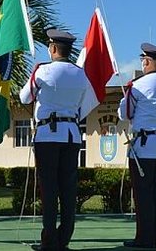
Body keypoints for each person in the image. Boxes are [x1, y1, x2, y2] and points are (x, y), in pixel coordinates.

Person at [20, 29, 94, 251]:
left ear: (53, 48)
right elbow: (83, 103)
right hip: (71, 134)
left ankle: (49, 240)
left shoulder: (42, 71)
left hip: (48, 135)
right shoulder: (80, 74)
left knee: (49, 189)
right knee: (68, 189)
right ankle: (64, 238)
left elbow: (25, 97)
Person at [117, 42, 156, 249]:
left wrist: (124, 97)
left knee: (143, 194)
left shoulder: (138, 85)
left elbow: (124, 114)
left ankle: (144, 238)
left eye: (143, 59)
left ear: (147, 61)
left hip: (144, 145)